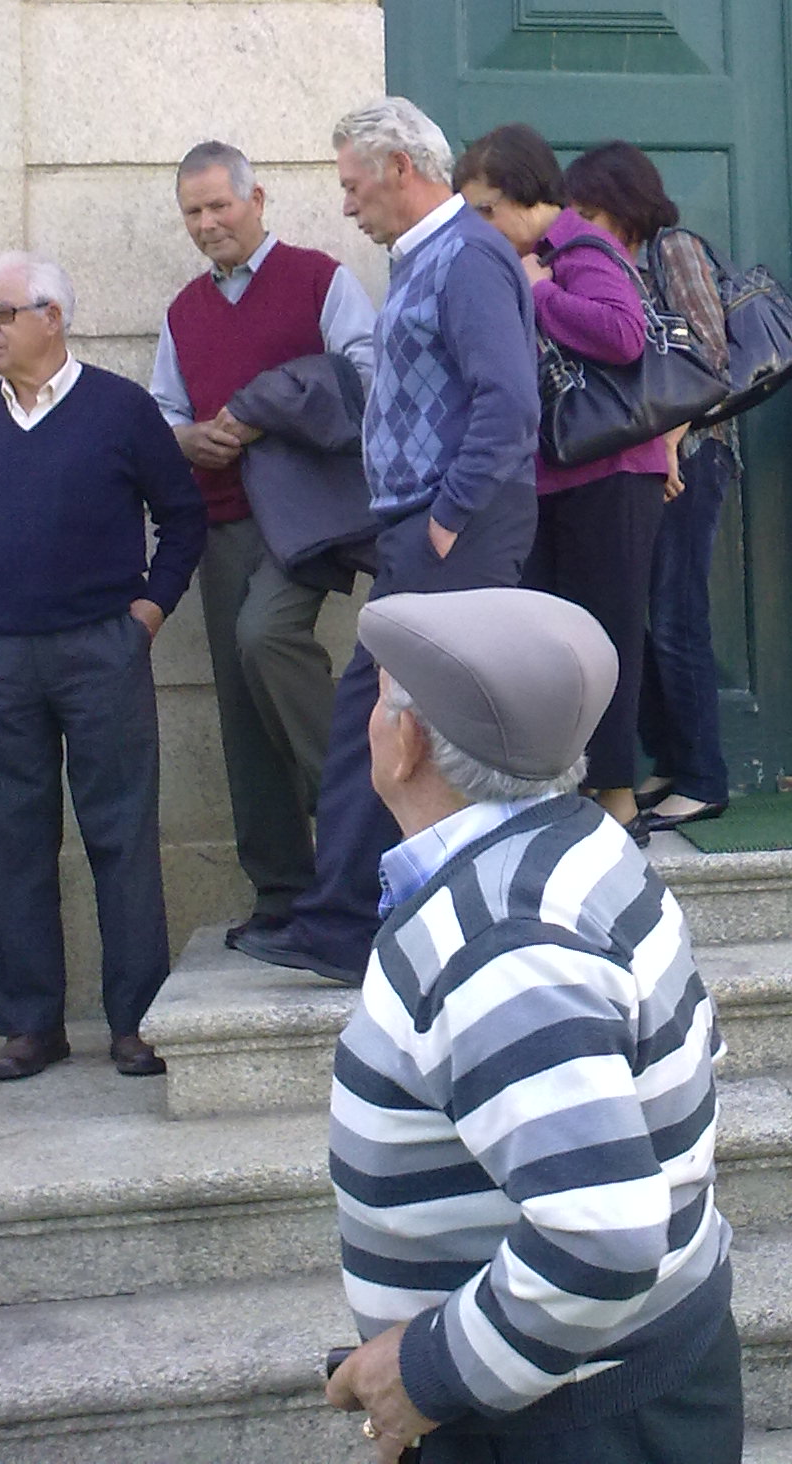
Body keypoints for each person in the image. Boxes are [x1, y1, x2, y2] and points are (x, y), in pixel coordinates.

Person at [324, 587, 741, 1464]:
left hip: (565, 1421)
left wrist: (430, 1376)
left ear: (407, 744)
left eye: (376, 697)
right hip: (614, 1380)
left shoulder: (497, 939)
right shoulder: (579, 841)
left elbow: (601, 1233)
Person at [230, 99, 539, 986]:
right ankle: (349, 924)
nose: (345, 205)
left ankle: (352, 927)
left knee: (408, 720)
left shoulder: (467, 256)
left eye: (352, 184)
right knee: (387, 719)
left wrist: (446, 517)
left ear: (401, 168)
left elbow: (509, 405)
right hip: (424, 530)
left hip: (452, 531)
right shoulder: (429, 258)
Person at [0, 252, 207, 1080]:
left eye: (1, 312)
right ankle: (31, 1026)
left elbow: (183, 517)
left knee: (120, 834)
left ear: (52, 317)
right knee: (8, 843)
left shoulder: (121, 410)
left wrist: (148, 612)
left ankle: (135, 1020)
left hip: (101, 649)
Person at [151, 141, 378, 941]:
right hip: (222, 517)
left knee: (264, 638)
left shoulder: (319, 277)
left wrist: (269, 411)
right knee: (244, 710)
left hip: (310, 514)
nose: (209, 223)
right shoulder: (184, 310)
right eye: (194, 212)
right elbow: (163, 410)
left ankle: (363, 810)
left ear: (257, 198)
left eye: (220, 205)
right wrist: (185, 442)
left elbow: (366, 372)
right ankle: (282, 895)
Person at [464, 125, 666, 836]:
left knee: (604, 639)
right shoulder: (530, 254)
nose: (480, 225)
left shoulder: (579, 245)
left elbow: (623, 334)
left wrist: (539, 294)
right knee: (552, 646)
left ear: (526, 194)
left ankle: (618, 798)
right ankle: (566, 792)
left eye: (488, 209)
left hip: (612, 473)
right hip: (555, 478)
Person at [560, 139, 735, 834]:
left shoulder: (673, 249)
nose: (579, 224)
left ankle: (704, 777)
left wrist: (667, 447)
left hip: (691, 454)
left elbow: (708, 353)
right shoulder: (604, 264)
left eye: (590, 209)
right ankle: (669, 758)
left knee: (676, 612)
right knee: (640, 615)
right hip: (643, 461)